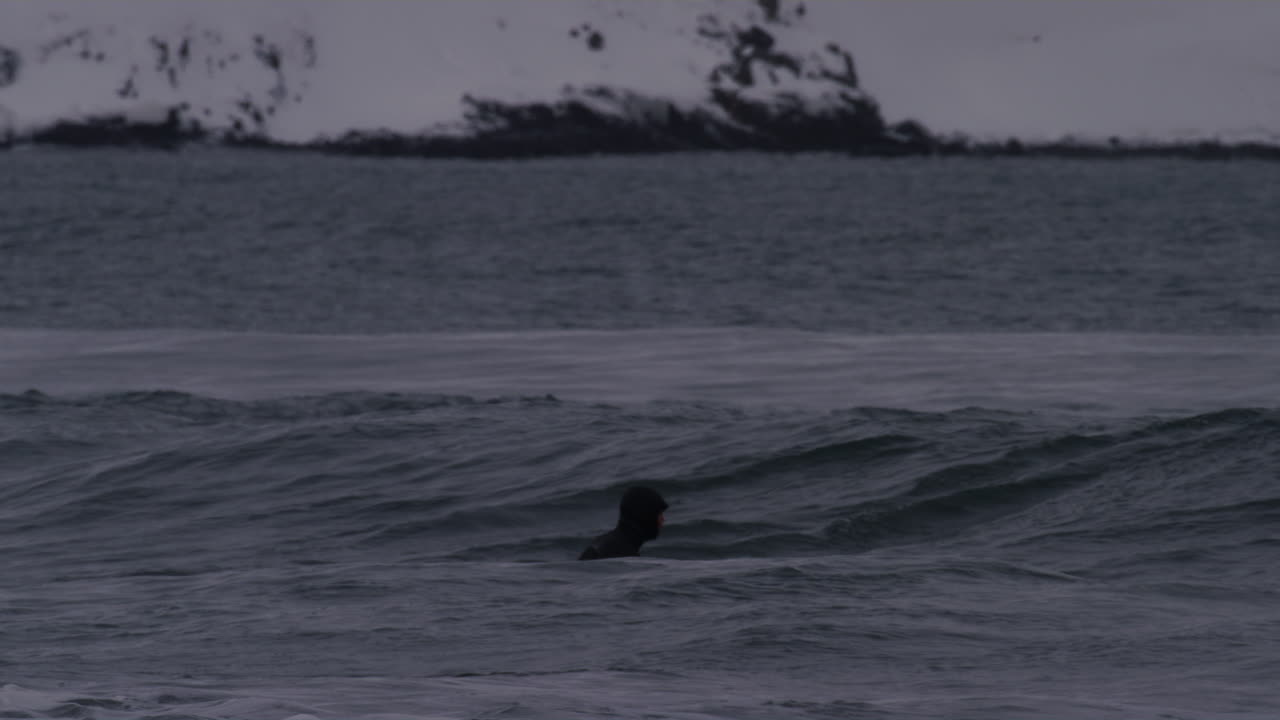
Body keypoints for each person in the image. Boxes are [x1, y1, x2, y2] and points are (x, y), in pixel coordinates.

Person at [578, 486, 668, 560]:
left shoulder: (604, 542)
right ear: (645, 515)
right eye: (658, 513)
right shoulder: (622, 554)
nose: (662, 519)